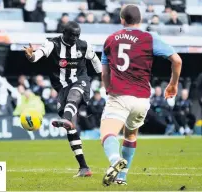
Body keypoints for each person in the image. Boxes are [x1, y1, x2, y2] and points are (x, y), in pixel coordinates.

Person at [100, 5, 182, 186]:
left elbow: (104, 73)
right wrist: (173, 84)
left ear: (122, 20)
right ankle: (122, 178)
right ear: (140, 20)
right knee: (130, 136)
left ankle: (115, 162)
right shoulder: (150, 38)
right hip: (142, 99)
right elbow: (177, 60)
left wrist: (108, 90)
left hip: (120, 95)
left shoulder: (110, 39)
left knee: (108, 133)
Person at [23, 21, 102, 177]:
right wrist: (31, 56)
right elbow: (37, 55)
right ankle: (84, 167)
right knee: (71, 128)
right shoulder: (53, 44)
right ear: (64, 32)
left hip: (81, 81)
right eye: (72, 35)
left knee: (74, 95)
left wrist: (103, 76)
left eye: (77, 35)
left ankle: (66, 118)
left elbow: (95, 60)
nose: (75, 38)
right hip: (61, 89)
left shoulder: (84, 45)